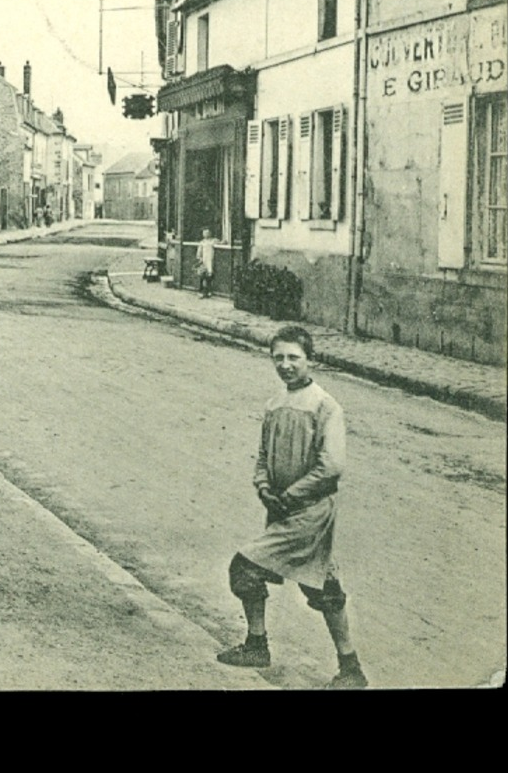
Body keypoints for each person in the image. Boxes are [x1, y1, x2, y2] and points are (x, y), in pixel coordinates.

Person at [217, 325, 368, 689]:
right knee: (322, 587)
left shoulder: (325, 406)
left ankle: (257, 646)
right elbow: (263, 457)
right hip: (283, 510)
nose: (286, 365)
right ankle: (350, 669)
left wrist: (291, 496)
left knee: (245, 567)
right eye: (278, 358)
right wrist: (265, 487)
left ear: (310, 360)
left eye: (293, 358)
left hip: (310, 512)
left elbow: (331, 466)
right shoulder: (274, 405)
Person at [197, 228, 218, 297]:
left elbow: (221, 243)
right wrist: (200, 258)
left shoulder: (213, 240)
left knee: (210, 275)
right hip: (204, 260)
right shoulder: (202, 242)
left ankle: (209, 291)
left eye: (207, 233)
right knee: (202, 275)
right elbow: (199, 252)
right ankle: (201, 290)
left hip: (210, 259)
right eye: (204, 233)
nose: (206, 234)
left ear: (210, 233)